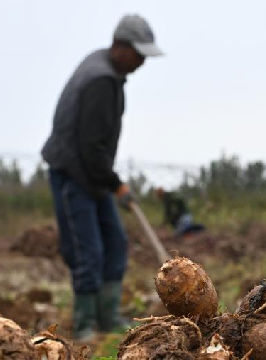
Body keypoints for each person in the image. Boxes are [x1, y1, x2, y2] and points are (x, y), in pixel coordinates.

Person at [41, 14, 163, 341]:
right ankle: (83, 325)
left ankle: (108, 318)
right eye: (138, 54)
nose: (141, 62)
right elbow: (90, 146)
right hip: (73, 174)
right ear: (120, 46)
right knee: (87, 251)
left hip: (92, 175)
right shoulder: (100, 80)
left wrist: (108, 183)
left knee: (116, 243)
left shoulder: (108, 71)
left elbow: (96, 149)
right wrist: (117, 185)